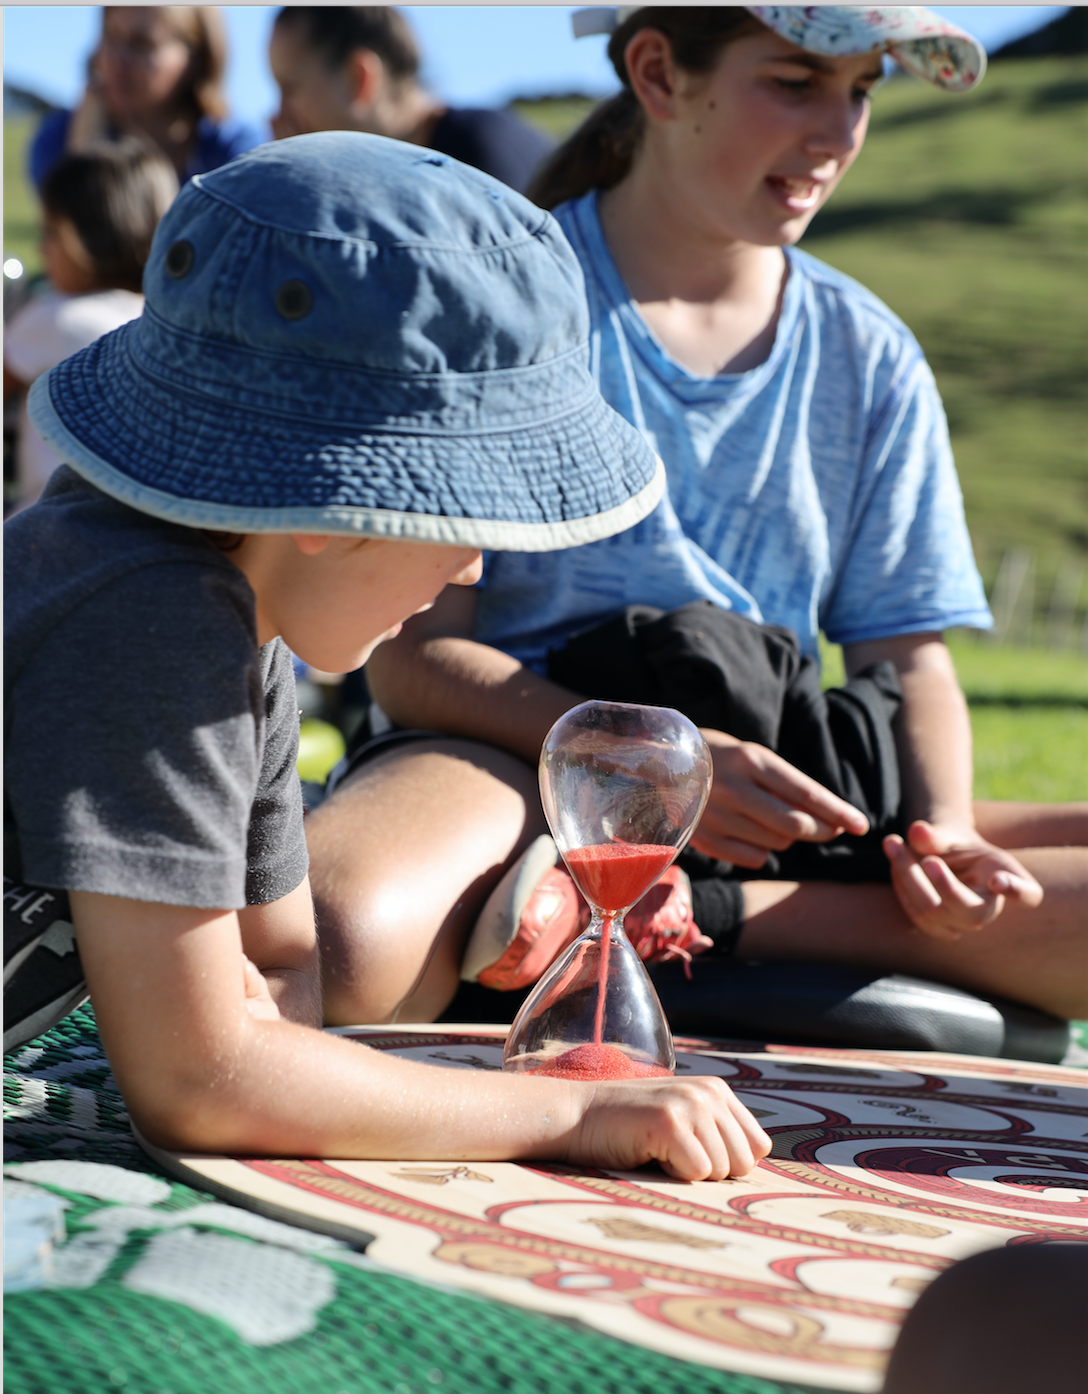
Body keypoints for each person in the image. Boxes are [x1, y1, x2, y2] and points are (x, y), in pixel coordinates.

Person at [3, 132, 769, 1182]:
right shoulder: (148, 614)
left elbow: (279, 967)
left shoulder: (238, 618)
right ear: (331, 497)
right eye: (464, 515)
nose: (469, 570)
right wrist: (569, 1115)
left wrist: (244, 1052)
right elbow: (196, 1083)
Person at [303, 6, 1088, 1030]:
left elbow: (908, 660)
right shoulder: (500, 309)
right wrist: (639, 762)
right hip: (514, 767)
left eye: (860, 90)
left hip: (771, 796)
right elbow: (411, 664)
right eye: (795, 81)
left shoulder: (870, 354)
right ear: (659, 75)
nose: (836, 134)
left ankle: (686, 910)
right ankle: (599, 891)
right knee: (340, 942)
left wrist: (939, 834)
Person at [4, 141, 178, 511]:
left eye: (50, 233)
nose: (41, 249)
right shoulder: (168, 326)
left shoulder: (58, 317)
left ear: (87, 240)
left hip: (47, 535)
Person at [269, 6, 554, 195]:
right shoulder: (417, 168)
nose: (278, 114)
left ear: (359, 78)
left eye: (289, 88)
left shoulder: (475, 159)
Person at [29, 7, 263, 190]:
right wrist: (84, 157)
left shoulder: (237, 155)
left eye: (141, 44)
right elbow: (77, 247)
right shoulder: (59, 142)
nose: (116, 59)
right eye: (111, 34)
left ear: (197, 58)